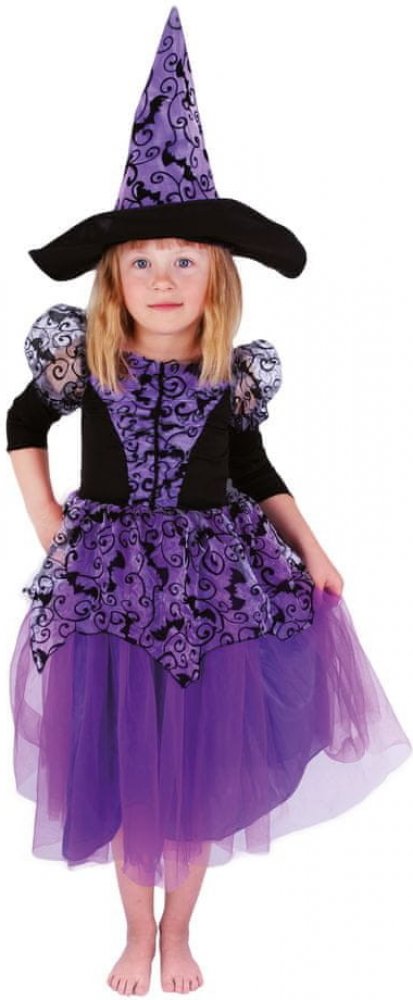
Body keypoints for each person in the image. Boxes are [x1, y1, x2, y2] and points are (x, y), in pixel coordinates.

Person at [5, 6, 412, 997]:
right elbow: (21, 424)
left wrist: (312, 549)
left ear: (216, 277)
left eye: (184, 259)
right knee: (121, 763)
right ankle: (130, 929)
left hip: (213, 586)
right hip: (106, 584)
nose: (162, 278)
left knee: (191, 773)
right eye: (141, 261)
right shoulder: (87, 359)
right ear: (114, 279)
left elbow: (256, 470)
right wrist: (51, 526)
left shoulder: (230, 374)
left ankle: (178, 930)